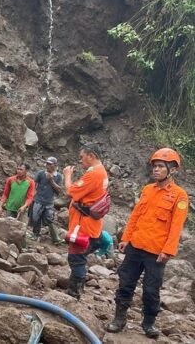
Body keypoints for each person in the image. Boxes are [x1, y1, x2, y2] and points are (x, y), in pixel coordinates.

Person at [105, 148, 188, 339]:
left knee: (151, 291)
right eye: (155, 166)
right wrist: (126, 238)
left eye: (160, 167)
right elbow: (135, 216)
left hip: (156, 253)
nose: (156, 170)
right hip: (136, 246)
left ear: (172, 170)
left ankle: (149, 323)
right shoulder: (147, 190)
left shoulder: (179, 195)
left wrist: (168, 251)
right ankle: (119, 319)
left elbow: (176, 227)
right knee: (125, 284)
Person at [63, 143, 109, 300]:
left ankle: (74, 292)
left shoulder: (94, 174)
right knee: (78, 256)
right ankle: (75, 286)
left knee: (76, 257)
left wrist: (67, 175)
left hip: (83, 225)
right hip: (91, 224)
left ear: (91, 155)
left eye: (82, 157)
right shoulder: (102, 173)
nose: (80, 160)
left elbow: (70, 191)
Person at [29, 157, 63, 244]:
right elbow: (34, 183)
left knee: (50, 219)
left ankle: (55, 238)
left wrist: (51, 180)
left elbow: (59, 190)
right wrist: (32, 195)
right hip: (38, 199)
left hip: (49, 202)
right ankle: (35, 234)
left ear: (55, 165)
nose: (47, 166)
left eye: (49, 164)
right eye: (47, 163)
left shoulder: (58, 176)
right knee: (36, 218)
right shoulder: (41, 173)